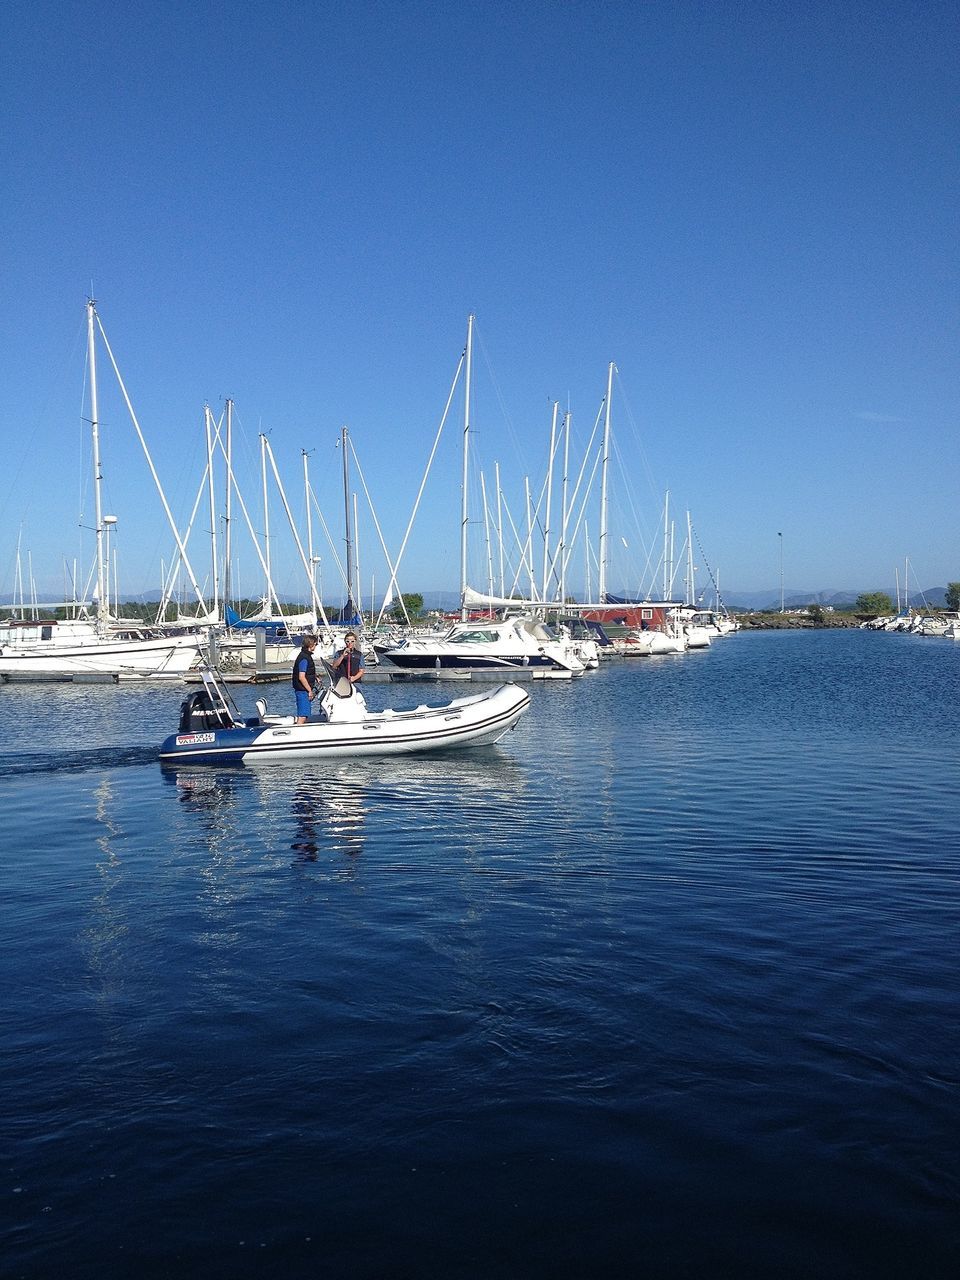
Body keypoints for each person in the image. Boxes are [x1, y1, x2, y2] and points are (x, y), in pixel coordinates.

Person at [292, 633, 319, 723]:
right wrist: (309, 690)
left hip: (303, 690)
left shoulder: (306, 656)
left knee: (306, 714)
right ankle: (298, 732)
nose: (316, 646)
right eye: (315, 644)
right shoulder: (304, 658)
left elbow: (307, 671)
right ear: (311, 645)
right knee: (303, 715)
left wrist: (315, 677)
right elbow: (301, 677)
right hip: (302, 690)